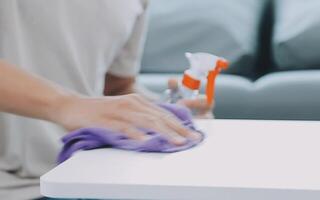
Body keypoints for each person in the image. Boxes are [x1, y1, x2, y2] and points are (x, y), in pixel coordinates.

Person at [0, 1, 212, 199]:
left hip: (88, 177)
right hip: (12, 186)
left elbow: (117, 88)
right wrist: (66, 104)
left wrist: (165, 114)